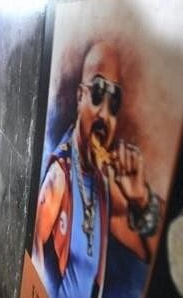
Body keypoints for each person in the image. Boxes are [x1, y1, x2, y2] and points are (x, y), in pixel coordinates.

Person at [31, 41, 163, 297]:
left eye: (114, 103)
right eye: (99, 92)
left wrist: (141, 199)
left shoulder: (103, 184)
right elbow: (36, 252)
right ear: (81, 97)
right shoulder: (60, 176)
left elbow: (149, 248)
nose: (104, 113)